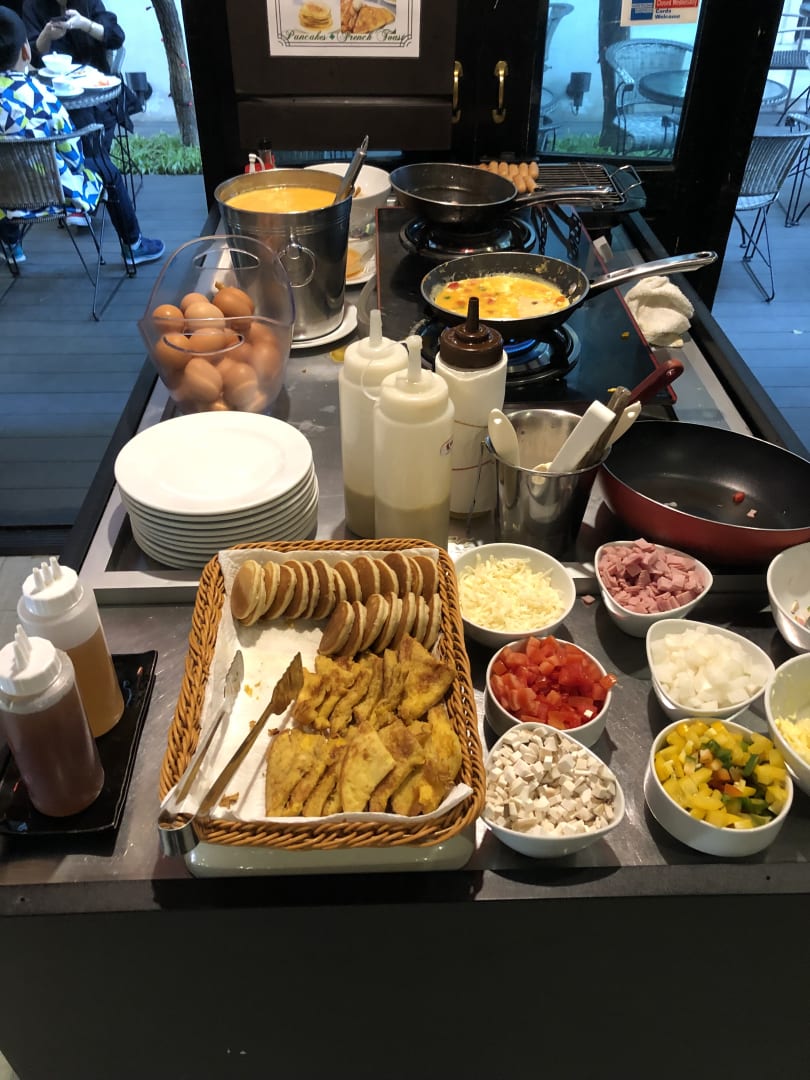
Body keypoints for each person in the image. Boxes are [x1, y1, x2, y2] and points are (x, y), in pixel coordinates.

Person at [0, 6, 163, 266]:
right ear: (26, 51)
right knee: (107, 169)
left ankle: (10, 244)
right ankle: (134, 245)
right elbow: (73, 154)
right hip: (53, 190)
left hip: (5, 196)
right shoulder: (42, 97)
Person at [21, 0, 135, 151]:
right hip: (53, 91)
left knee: (91, 125)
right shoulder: (32, 5)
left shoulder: (89, 3)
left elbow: (116, 37)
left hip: (94, 89)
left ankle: (92, 160)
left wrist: (85, 25)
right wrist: (46, 35)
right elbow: (32, 56)